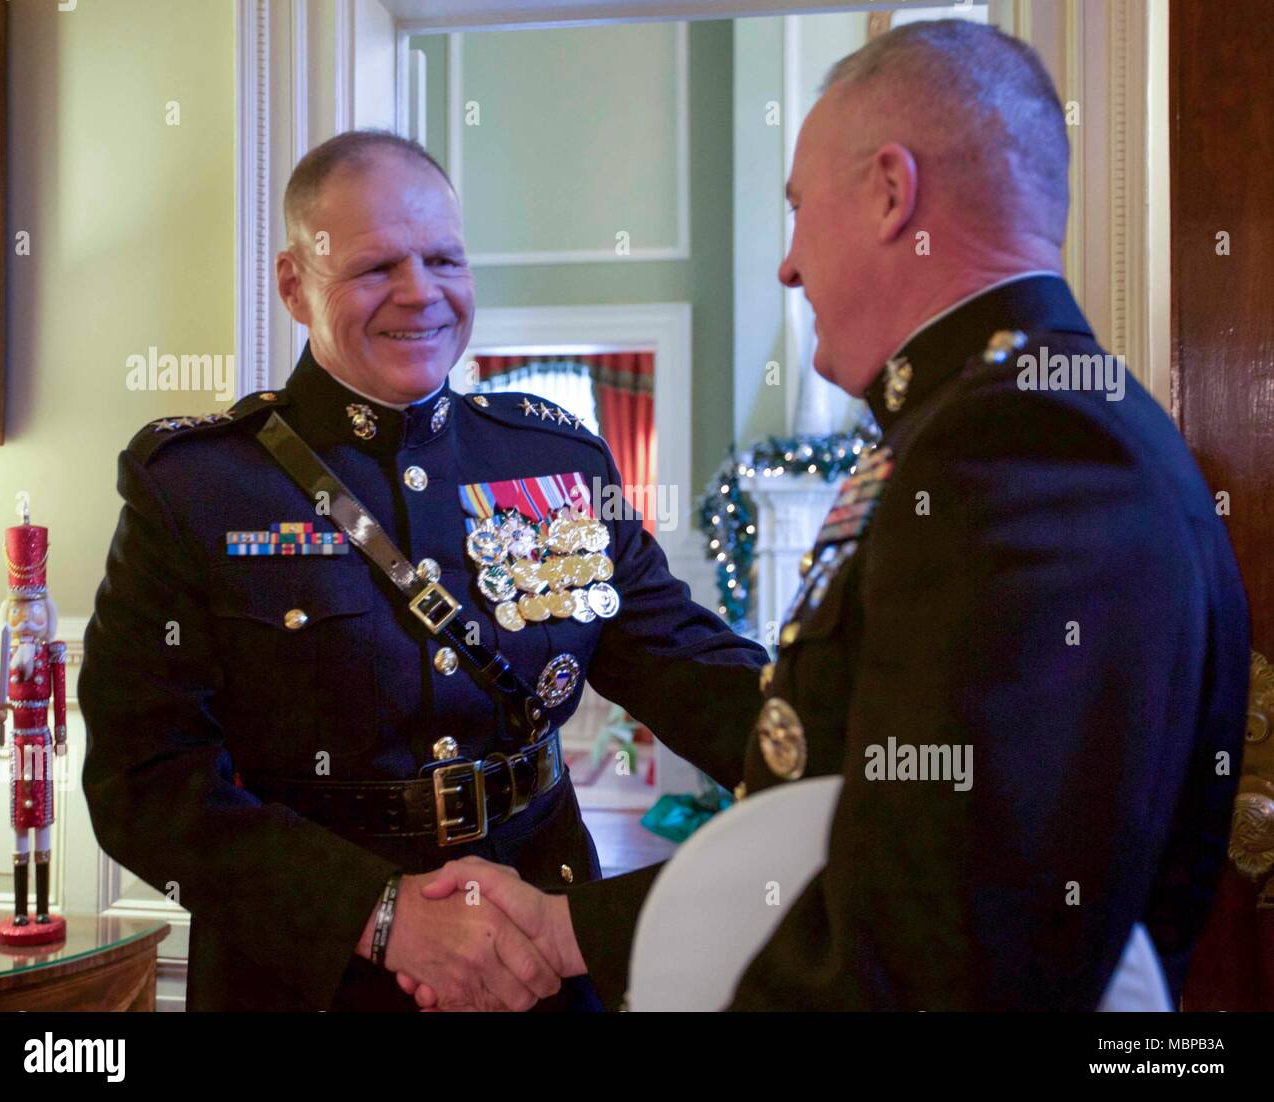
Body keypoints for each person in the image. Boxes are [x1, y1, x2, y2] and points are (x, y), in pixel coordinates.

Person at [406, 19, 1251, 1011]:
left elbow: (938, 946)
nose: (788, 264)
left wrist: (583, 942)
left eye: (799, 210)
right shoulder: (994, 417)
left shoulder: (1022, 447)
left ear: (893, 193)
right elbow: (849, 802)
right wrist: (564, 929)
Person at [78, 130, 767, 1012]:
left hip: (539, 942)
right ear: (295, 284)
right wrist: (377, 914)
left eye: (445, 259)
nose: (421, 294)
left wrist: (846, 757)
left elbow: (684, 663)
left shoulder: (553, 458)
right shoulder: (200, 488)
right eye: (376, 269)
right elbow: (145, 778)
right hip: (310, 970)